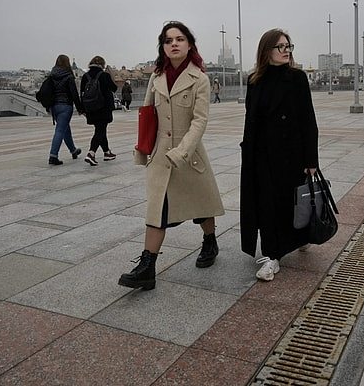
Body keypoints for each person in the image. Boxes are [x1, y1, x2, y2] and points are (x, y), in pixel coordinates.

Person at [118, 21, 225, 291]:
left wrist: (183, 150)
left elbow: (199, 121)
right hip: (160, 157)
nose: (173, 44)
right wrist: (143, 148)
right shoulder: (157, 77)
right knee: (158, 210)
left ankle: (210, 242)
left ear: (190, 44)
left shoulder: (199, 78)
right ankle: (147, 267)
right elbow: (147, 115)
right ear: (163, 47)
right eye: (168, 40)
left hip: (189, 155)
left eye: (179, 39)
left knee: (202, 207)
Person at [240, 28, 319, 282]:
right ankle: (272, 255)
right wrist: (248, 153)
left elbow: (308, 120)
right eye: (280, 47)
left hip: (291, 154)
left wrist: (311, 160)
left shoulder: (297, 78)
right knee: (266, 203)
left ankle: (296, 238)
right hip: (263, 154)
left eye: (288, 46)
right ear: (267, 51)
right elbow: (250, 120)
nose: (286, 51)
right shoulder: (255, 81)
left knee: (290, 201)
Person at [80, 56, 118, 166]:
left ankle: (107, 152)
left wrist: (82, 109)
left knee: (100, 129)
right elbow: (114, 88)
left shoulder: (85, 76)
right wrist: (110, 74)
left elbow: (82, 93)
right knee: (100, 130)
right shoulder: (104, 75)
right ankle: (91, 153)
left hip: (90, 108)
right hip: (103, 107)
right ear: (102, 65)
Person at [47, 54, 83, 165]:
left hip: (54, 106)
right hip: (65, 106)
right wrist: (80, 108)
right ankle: (53, 155)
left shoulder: (52, 75)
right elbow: (74, 94)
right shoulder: (68, 75)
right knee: (60, 130)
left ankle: (73, 150)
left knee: (65, 128)